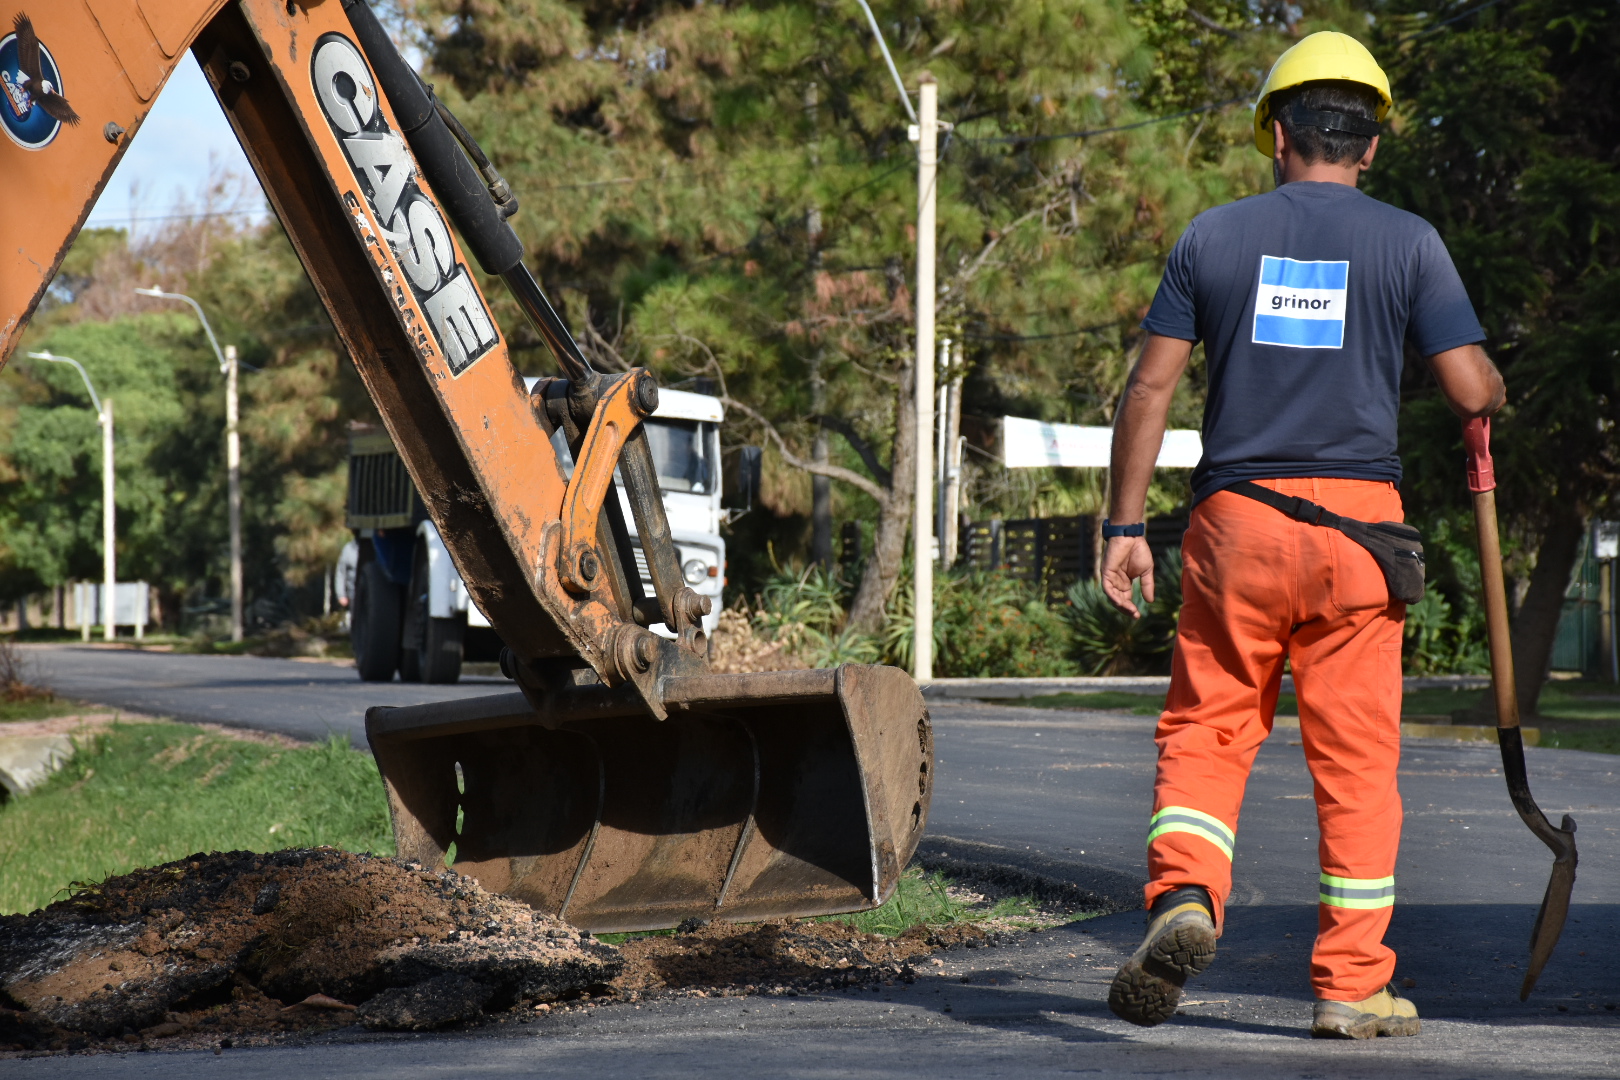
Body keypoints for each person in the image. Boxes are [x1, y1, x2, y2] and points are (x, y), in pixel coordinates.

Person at [1101, 31, 1504, 1039]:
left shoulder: (1213, 238)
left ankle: (1187, 894)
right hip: (1360, 535)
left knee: (1208, 725)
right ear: (1369, 148)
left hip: (1235, 525)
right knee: (1357, 760)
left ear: (1276, 137)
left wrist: (1124, 525)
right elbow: (1467, 389)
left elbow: (1149, 387)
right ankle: (1350, 985)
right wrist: (1489, 385)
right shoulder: (1409, 242)